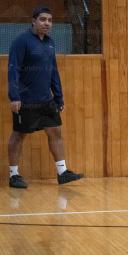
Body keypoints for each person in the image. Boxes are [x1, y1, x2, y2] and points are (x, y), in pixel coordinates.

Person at [7, 7, 83, 188]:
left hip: (46, 100)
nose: (47, 23)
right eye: (43, 19)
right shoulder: (21, 41)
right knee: (19, 135)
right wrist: (14, 96)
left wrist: (59, 97)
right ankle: (13, 175)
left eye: (49, 20)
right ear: (33, 21)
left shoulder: (50, 43)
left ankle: (62, 172)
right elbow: (13, 69)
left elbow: (53, 71)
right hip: (26, 100)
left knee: (55, 132)